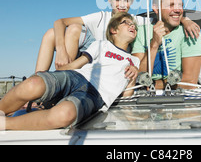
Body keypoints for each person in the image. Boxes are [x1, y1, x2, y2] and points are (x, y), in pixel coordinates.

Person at [0, 12, 139, 131]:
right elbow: (77, 65)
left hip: (96, 95)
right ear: (114, 30)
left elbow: (126, 95)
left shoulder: (134, 61)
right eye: (126, 23)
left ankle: (5, 123)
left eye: (134, 26)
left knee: (64, 115)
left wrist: (133, 75)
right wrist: (49, 77)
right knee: (33, 83)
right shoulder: (101, 45)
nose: (132, 26)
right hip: (77, 75)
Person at [35, 0, 200, 72]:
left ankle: (58, 83)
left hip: (112, 59)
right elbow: (59, 22)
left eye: (126, 0)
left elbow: (162, 20)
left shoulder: (136, 21)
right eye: (118, 0)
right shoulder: (101, 17)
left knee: (73, 28)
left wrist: (185, 20)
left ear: (132, 1)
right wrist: (62, 51)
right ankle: (42, 81)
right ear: (109, 0)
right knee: (55, 32)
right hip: (90, 53)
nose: (122, 5)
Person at [131, 0, 201, 89]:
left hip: (179, 97)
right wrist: (154, 44)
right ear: (156, 8)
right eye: (171, 5)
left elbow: (190, 80)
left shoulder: (190, 32)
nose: (178, 10)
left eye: (180, 5)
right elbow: (138, 76)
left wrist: (155, 85)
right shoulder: (142, 32)